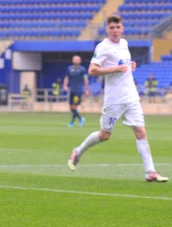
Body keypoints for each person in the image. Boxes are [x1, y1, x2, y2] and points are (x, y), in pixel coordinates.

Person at [67, 15, 167, 183]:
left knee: (141, 131)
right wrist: (117, 68)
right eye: (111, 28)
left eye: (117, 27)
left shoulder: (124, 44)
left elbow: (123, 65)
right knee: (105, 135)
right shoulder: (103, 47)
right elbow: (92, 70)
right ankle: (78, 151)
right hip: (114, 99)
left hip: (131, 96)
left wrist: (130, 66)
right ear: (107, 29)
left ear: (122, 28)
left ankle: (150, 172)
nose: (115, 30)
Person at [63, 55, 89, 127]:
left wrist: (87, 89)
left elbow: (85, 79)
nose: (76, 61)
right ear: (72, 60)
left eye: (78, 59)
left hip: (78, 91)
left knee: (74, 106)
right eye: (75, 59)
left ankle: (76, 120)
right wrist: (65, 85)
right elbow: (67, 77)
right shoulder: (69, 68)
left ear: (80, 61)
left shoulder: (82, 69)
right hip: (71, 90)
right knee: (71, 107)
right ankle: (77, 120)